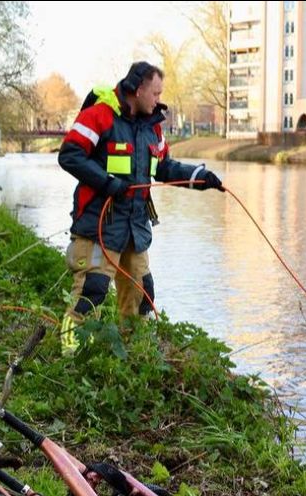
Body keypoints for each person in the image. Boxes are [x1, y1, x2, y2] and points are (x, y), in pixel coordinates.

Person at [56, 61, 224, 355]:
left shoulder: (153, 128)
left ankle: (132, 356)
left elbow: (165, 167)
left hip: (134, 228)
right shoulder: (100, 115)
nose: (159, 100)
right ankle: (72, 358)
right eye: (155, 93)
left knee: (142, 294)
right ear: (138, 89)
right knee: (91, 292)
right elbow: (69, 155)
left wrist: (200, 177)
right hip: (98, 226)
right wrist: (108, 183)